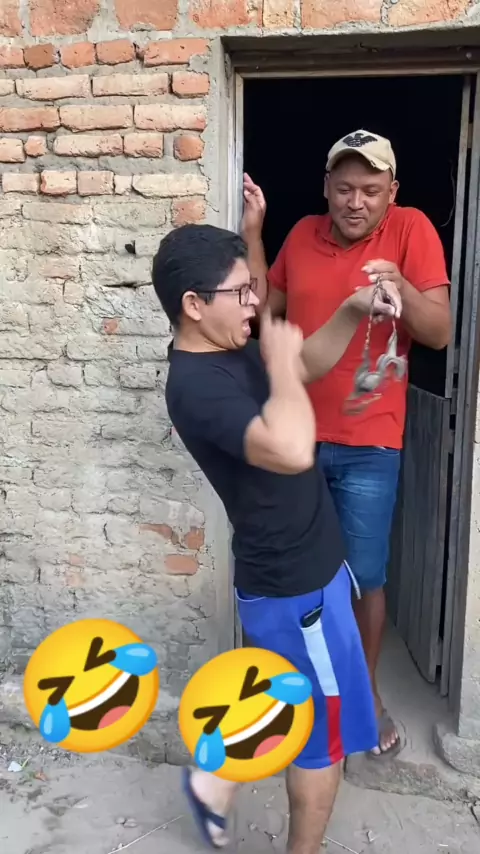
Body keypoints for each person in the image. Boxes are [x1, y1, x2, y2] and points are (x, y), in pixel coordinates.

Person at [152, 222, 402, 852]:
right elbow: (290, 448)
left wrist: (351, 309)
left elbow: (304, 364)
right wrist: (283, 365)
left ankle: (213, 781)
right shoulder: (197, 386)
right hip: (294, 586)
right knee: (323, 742)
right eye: (240, 292)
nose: (254, 302)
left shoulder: (230, 344)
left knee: (288, 697)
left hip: (310, 570)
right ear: (193, 304)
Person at [241, 128, 453, 758]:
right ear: (326, 188)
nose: (355, 201)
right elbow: (264, 314)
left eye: (370, 190)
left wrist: (402, 288)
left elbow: (439, 333)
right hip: (294, 436)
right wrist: (254, 233)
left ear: (392, 191)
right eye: (343, 188)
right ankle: (288, 692)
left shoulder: (412, 230)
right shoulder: (303, 234)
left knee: (363, 577)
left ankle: (366, 697)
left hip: (369, 441)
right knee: (290, 573)